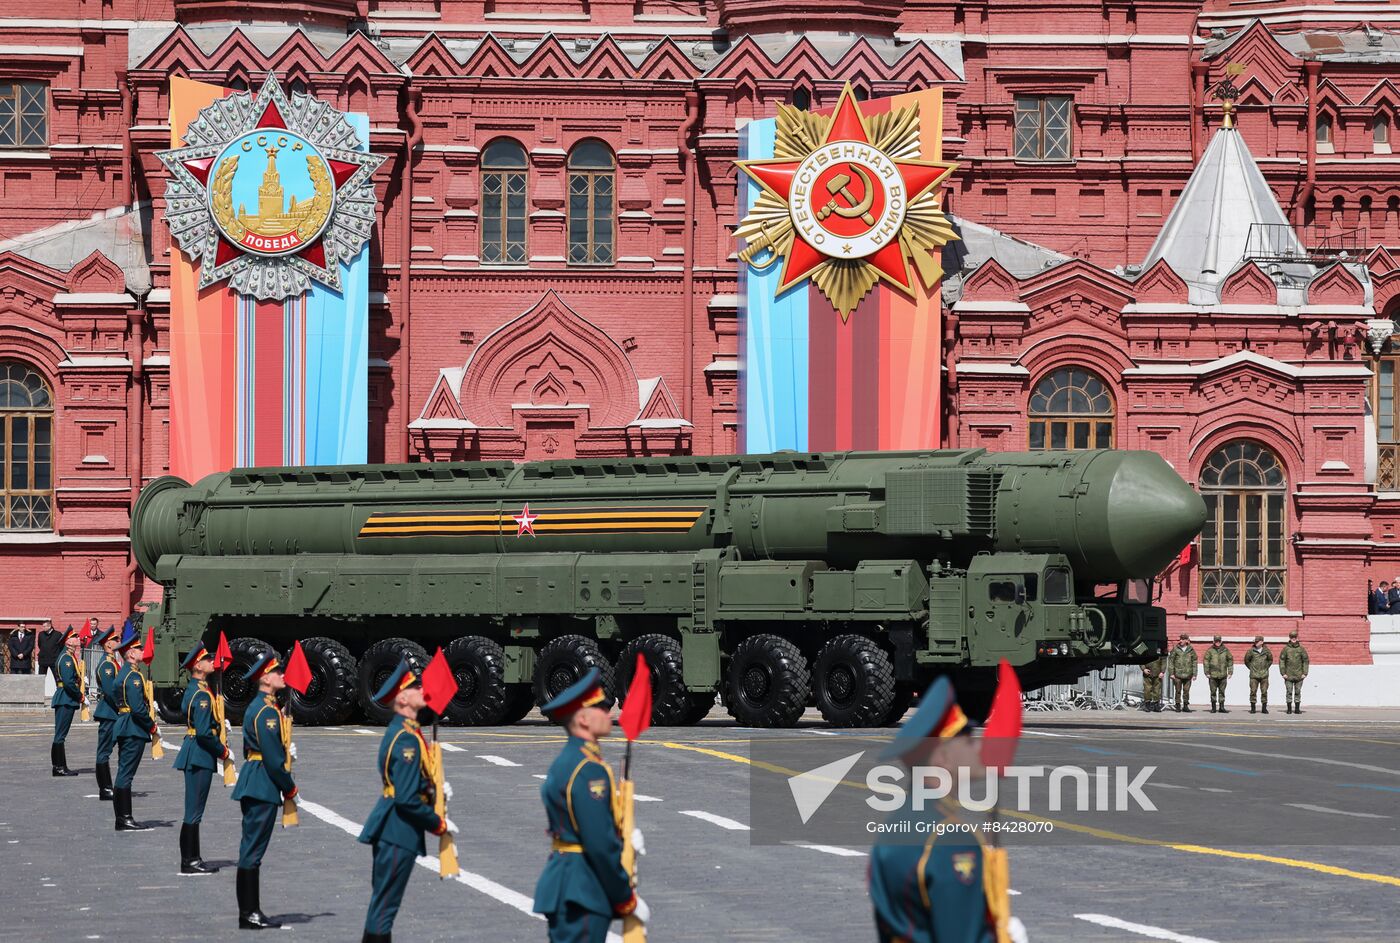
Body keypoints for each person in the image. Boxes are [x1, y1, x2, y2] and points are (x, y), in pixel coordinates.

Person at [868, 676, 1027, 943]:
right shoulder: (952, 841)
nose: (977, 747)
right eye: (966, 740)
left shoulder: (894, 828)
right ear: (943, 757)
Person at [532, 667, 649, 943]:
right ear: (583, 718)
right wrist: (626, 898)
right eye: (602, 708)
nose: (609, 714)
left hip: (568, 882)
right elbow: (598, 842)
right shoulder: (588, 770)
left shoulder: (568, 761)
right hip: (582, 888)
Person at [357, 658, 457, 943]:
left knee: (383, 904)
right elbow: (405, 798)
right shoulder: (406, 740)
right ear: (402, 698)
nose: (421, 689)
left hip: (394, 827)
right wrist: (437, 823)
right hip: (397, 829)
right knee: (384, 908)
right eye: (414, 686)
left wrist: (432, 788)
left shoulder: (407, 732)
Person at [232, 652, 298, 930]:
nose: (283, 676)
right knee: (252, 851)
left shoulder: (262, 707)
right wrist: (290, 786)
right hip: (262, 783)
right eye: (278, 672)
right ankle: (249, 914)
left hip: (255, 779)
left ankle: (250, 911)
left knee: (251, 848)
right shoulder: (267, 711)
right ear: (266, 678)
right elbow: (271, 759)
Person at [174, 642, 231, 876]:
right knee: (194, 810)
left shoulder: (195, 689)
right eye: (207, 660)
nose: (212, 662)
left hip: (195, 750)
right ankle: (190, 860)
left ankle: (192, 858)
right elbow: (205, 732)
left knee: (194, 809)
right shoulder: (202, 695)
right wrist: (223, 751)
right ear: (197, 666)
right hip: (200, 753)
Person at [113, 623, 156, 831]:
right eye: (139, 649)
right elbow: (138, 709)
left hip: (124, 724)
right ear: (130, 654)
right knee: (126, 773)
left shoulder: (124, 674)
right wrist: (152, 726)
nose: (142, 652)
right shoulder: (133, 677)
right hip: (133, 727)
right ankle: (124, 817)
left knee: (124, 771)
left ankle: (122, 817)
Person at [92, 625, 122, 800]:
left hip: (113, 711)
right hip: (109, 712)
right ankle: (105, 788)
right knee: (104, 751)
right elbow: (111, 691)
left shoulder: (112, 662)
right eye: (116, 639)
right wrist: (122, 708)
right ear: (108, 644)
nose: (118, 642)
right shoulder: (106, 665)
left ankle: (110, 786)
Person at [50, 626, 83, 777]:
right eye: (75, 637)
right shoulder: (66, 659)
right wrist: (80, 696)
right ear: (68, 642)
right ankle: (58, 767)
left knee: (60, 734)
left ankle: (59, 765)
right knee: (60, 734)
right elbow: (69, 683)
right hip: (66, 697)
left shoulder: (68, 657)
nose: (78, 639)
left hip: (65, 697)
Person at [1279, 630, 1311, 714]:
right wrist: (1283, 673)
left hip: (1299, 675)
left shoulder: (1301, 649)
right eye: (1292, 637)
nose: (1293, 639)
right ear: (1290, 638)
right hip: (1288, 675)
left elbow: (1306, 661)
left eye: (1295, 637)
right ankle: (1289, 709)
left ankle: (1297, 709)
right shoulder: (1286, 649)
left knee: (1298, 692)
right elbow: (1282, 661)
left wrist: (1305, 673)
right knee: (1289, 692)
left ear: (1297, 638)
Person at [1167, 632, 1198, 712]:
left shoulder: (1191, 650)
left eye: (1182, 639)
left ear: (1186, 640)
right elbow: (1171, 661)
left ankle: (1185, 706)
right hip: (1177, 675)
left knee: (1186, 691)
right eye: (1180, 639)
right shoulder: (1176, 649)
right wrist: (1171, 673)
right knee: (1178, 691)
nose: (1180, 640)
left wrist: (1194, 674)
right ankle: (1177, 705)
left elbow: (1194, 661)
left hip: (1188, 675)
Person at [1203, 635, 1233, 714]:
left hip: (1223, 674)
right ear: (1213, 641)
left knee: (1222, 691)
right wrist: (1207, 672)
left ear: (1221, 641)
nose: (1217, 642)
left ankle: (1221, 707)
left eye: (1219, 641)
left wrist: (1230, 672)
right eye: (1216, 641)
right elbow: (1206, 661)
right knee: (1213, 691)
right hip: (1212, 675)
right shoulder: (1210, 651)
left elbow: (1230, 660)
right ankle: (1213, 707)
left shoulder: (1226, 650)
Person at [1244, 635, 1273, 714]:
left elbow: (1270, 660)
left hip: (1264, 675)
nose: (1256, 643)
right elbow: (1246, 661)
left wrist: (1266, 667)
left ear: (1262, 642)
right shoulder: (1251, 651)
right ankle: (1253, 708)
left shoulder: (1267, 651)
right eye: (1255, 641)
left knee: (1264, 691)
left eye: (1257, 641)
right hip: (1254, 676)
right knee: (1253, 691)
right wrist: (1252, 668)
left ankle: (1264, 708)